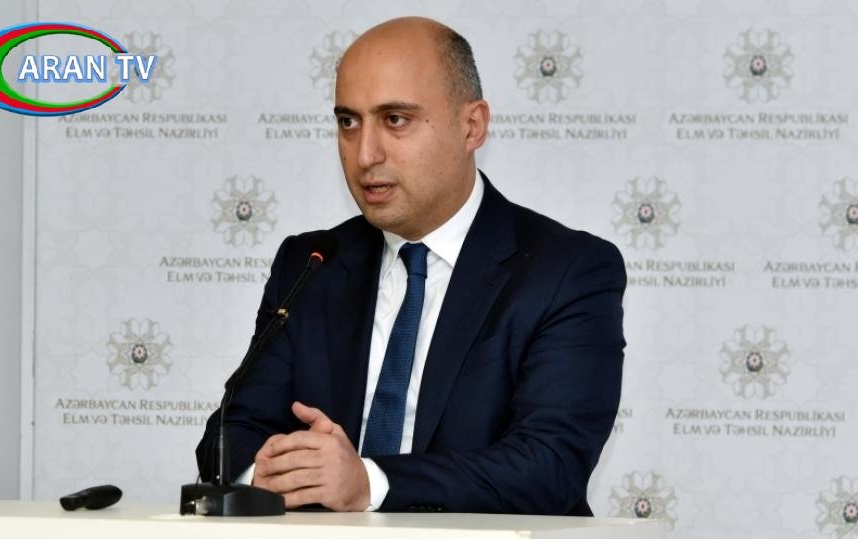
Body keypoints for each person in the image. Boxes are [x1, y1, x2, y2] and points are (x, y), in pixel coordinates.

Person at [196, 16, 626, 515]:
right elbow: (231, 433)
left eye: (395, 120)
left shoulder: (567, 270)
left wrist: (368, 483)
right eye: (348, 122)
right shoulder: (311, 264)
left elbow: (550, 466)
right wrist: (267, 475)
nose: (365, 155)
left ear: (472, 126)